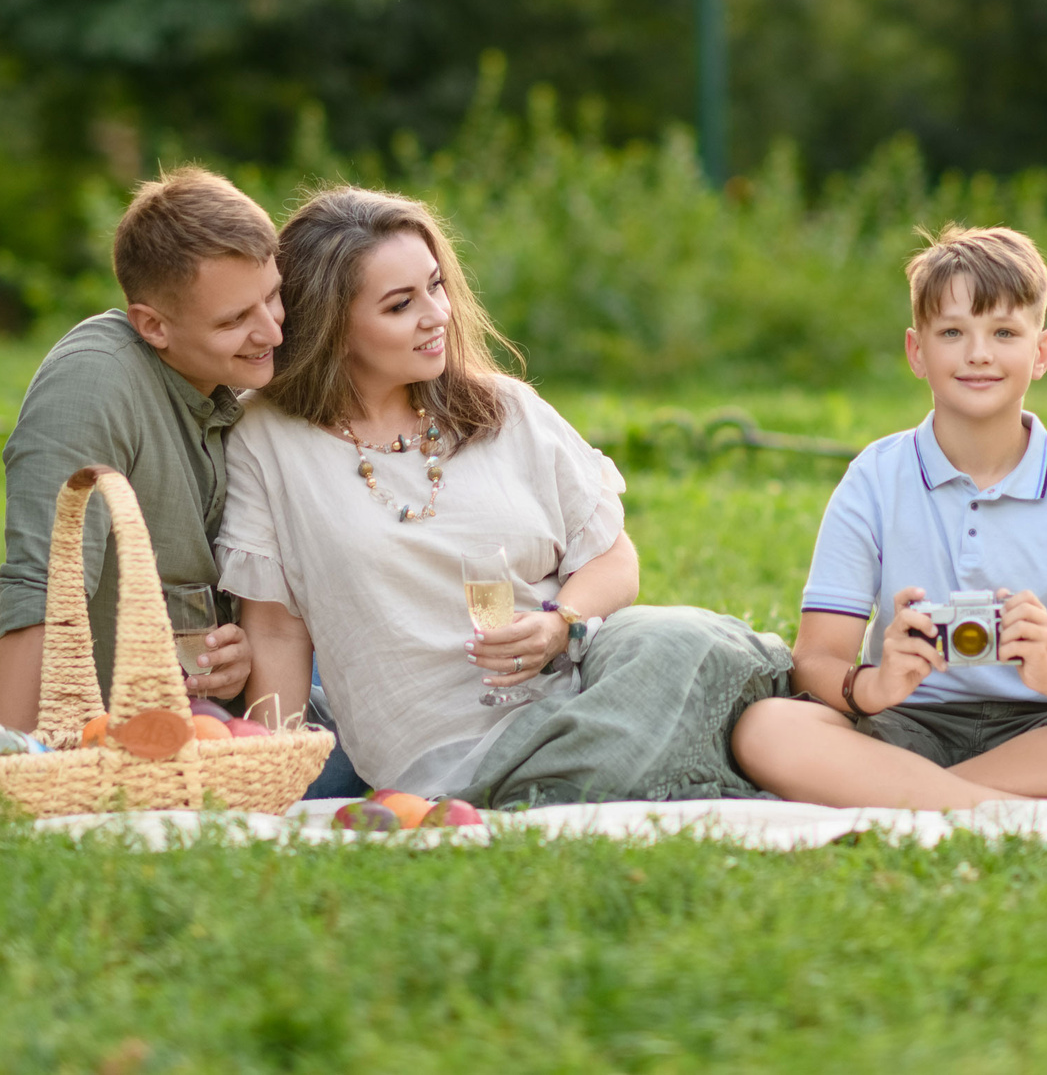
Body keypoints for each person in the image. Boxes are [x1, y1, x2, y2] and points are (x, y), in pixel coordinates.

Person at [222, 186, 790, 805]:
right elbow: (277, 631)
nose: (437, 314)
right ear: (333, 329)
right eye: (399, 305)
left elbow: (610, 556)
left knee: (672, 641)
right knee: (613, 754)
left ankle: (765, 725)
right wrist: (267, 780)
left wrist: (559, 624)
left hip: (583, 683)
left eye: (436, 286)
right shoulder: (267, 439)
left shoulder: (504, 408)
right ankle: (727, 751)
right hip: (450, 753)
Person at [730, 224, 1047, 808]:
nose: (978, 353)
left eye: (1004, 331)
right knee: (768, 726)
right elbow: (815, 659)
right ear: (917, 352)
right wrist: (873, 684)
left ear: (1041, 352)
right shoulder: (873, 479)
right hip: (900, 728)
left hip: (1042, 731)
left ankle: (923, 799)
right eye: (952, 332)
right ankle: (996, 808)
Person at [0, 168, 371, 790]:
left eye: (273, 297)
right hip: (147, 735)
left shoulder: (221, 384)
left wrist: (235, 659)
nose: (274, 331)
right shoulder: (94, 387)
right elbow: (42, 588)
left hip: (245, 688)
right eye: (234, 320)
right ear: (153, 325)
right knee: (402, 744)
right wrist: (11, 772)